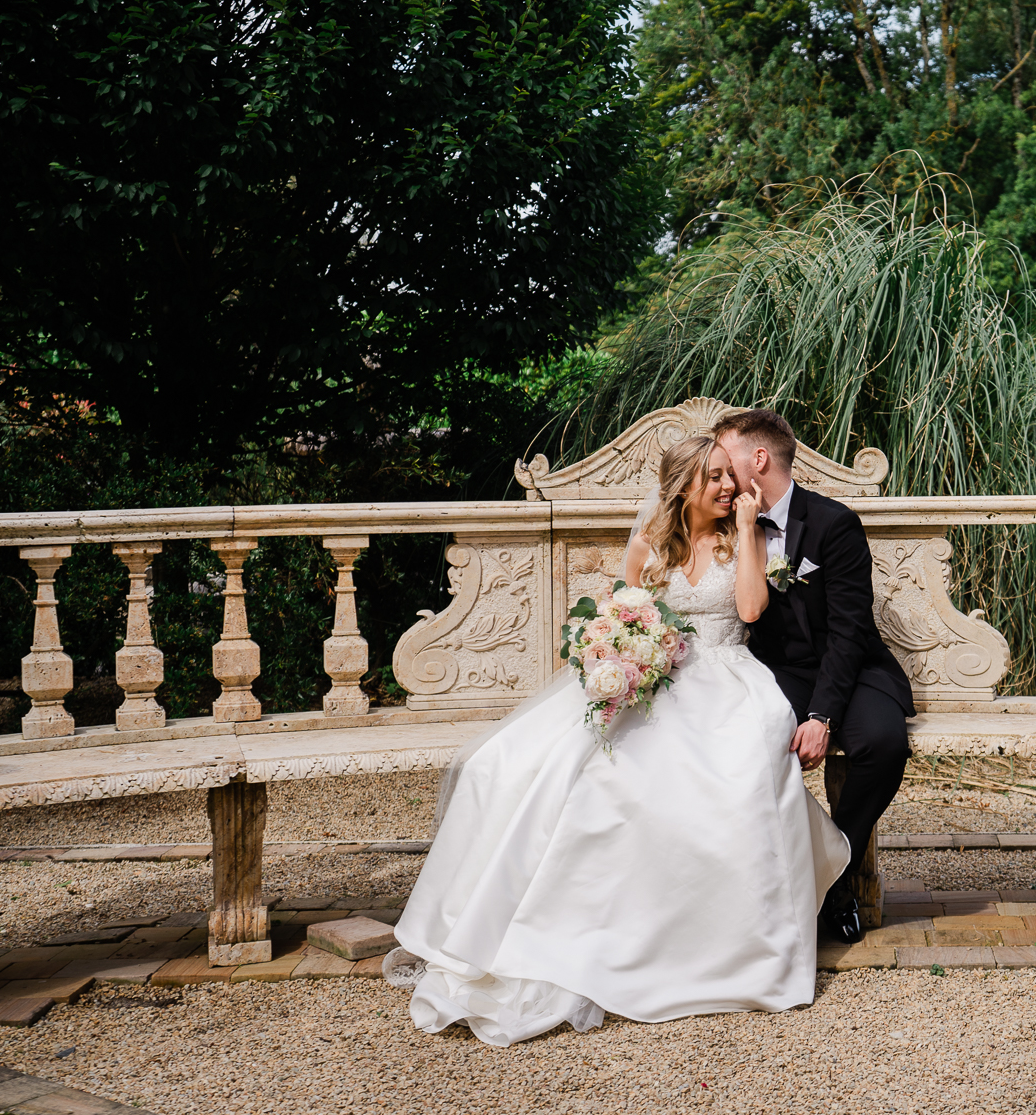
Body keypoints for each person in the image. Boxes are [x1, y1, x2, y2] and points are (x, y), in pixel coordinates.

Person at [385, 434, 849, 1047]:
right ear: (681, 486)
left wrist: (743, 527)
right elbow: (620, 615)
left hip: (731, 678)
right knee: (554, 771)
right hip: (661, 676)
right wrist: (621, 656)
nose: (726, 486)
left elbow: (752, 609)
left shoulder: (747, 535)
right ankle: (570, 930)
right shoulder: (648, 546)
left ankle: (718, 946)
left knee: (727, 776)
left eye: (726, 476)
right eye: (711, 478)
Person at [712, 408, 914, 945]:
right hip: (777, 671)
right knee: (744, 745)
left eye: (726, 458)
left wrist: (822, 715)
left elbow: (849, 631)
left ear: (758, 459)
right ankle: (755, 891)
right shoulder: (724, 520)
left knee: (883, 743)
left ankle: (833, 881)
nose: (720, 472)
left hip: (851, 664)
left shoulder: (833, 523)